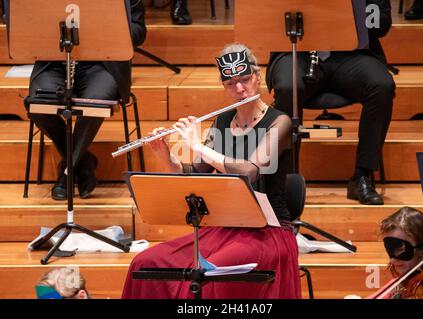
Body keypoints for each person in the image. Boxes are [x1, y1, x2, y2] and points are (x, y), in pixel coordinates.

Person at [122, 43, 300, 299]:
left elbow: (250, 172)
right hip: (227, 227)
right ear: (223, 85)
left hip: (268, 231)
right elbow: (194, 176)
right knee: (146, 263)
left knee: (209, 277)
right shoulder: (223, 122)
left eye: (245, 79)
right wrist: (165, 155)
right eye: (231, 83)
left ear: (258, 75)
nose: (240, 89)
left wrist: (197, 145)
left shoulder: (279, 123)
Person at [266, 0, 396, 205]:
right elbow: (266, 13)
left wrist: (349, 11)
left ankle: (362, 176)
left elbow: (382, 23)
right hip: (298, 50)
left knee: (382, 85)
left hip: (352, 54)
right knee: (288, 87)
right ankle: (284, 181)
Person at [25, 0, 147, 200]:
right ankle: (82, 162)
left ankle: (67, 173)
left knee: (95, 103)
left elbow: (138, 31)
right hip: (55, 59)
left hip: (104, 63)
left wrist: (106, 29)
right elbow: (30, 24)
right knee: (37, 104)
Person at [368, 207, 423, 299]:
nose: (392, 259)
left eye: (400, 248)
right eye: (389, 248)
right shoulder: (407, 279)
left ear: (422, 248)